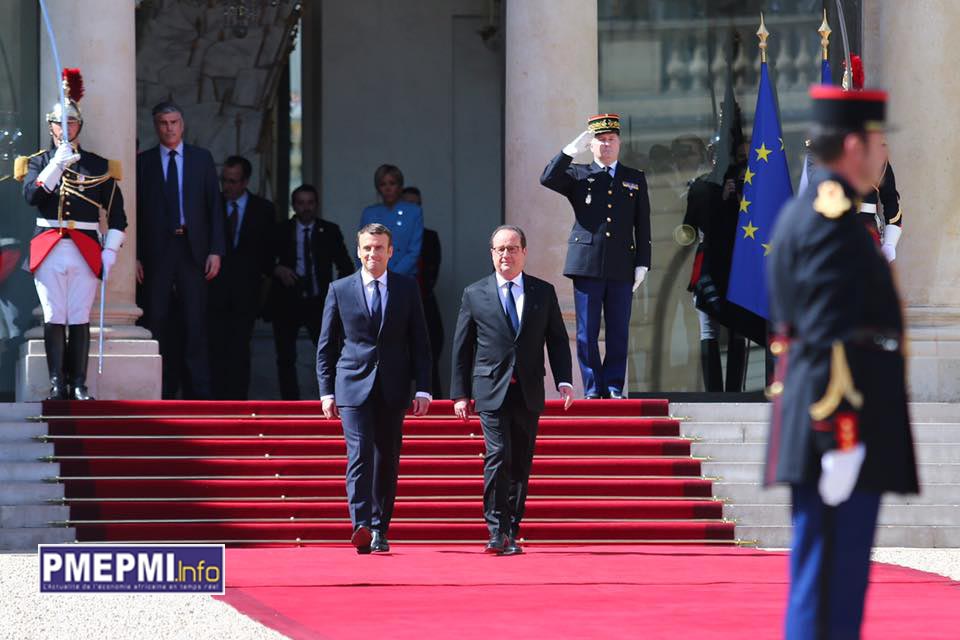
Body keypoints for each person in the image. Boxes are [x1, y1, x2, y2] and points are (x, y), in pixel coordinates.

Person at [765, 84, 918, 639]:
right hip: (839, 430)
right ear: (854, 143)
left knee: (838, 580)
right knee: (829, 578)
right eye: (878, 141)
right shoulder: (829, 221)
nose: (883, 153)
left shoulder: (828, 214)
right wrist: (840, 437)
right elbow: (825, 334)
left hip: (841, 429)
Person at [450, 225, 574, 555]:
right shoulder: (474, 293)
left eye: (512, 248)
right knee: (497, 455)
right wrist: (460, 393)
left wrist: (563, 379)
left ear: (524, 252)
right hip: (491, 389)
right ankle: (495, 529)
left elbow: (558, 340)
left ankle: (511, 529)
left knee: (520, 462)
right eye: (500, 249)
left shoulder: (542, 292)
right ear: (492, 254)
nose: (506, 255)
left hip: (528, 389)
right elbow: (462, 347)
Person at [316, 223, 432, 554]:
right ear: (358, 250)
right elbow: (326, 346)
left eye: (379, 248)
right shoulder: (339, 289)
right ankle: (361, 524)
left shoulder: (407, 288)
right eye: (367, 247)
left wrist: (423, 388)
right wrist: (326, 391)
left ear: (390, 251)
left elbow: (420, 344)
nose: (372, 253)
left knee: (386, 460)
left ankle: (381, 527)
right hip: (352, 385)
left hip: (393, 386)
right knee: (359, 454)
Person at [17, 71, 127, 400]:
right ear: (50, 126)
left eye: (72, 123)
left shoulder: (97, 166)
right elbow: (32, 198)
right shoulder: (38, 163)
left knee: (79, 316)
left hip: (86, 247)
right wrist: (54, 167)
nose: (66, 128)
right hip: (49, 246)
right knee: (54, 315)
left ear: (80, 126)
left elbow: (117, 214)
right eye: (60, 123)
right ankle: (56, 384)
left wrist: (110, 251)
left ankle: (78, 383)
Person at [540, 114, 652, 398]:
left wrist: (643, 262)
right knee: (586, 332)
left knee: (617, 329)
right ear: (591, 145)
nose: (606, 145)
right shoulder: (579, 174)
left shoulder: (634, 178)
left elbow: (643, 223)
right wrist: (568, 152)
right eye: (600, 140)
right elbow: (547, 178)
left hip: (621, 264)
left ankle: (614, 385)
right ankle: (592, 386)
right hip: (587, 263)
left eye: (611, 140)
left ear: (620, 143)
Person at [136, 101, 224, 399]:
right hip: (157, 251)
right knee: (155, 319)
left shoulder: (202, 159)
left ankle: (200, 397)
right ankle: (155, 392)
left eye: (174, 122)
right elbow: (134, 212)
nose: (169, 128)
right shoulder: (144, 162)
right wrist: (132, 256)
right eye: (163, 123)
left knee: (195, 322)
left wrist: (216, 250)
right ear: (156, 125)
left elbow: (214, 206)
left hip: (193, 249)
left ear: (182, 124)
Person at [269, 184, 353, 400]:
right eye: (301, 203)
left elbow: (345, 264)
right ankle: (290, 404)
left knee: (329, 353)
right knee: (285, 356)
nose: (306, 208)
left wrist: (340, 295)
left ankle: (333, 399)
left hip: (320, 301)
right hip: (288, 300)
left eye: (310, 203)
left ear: (316, 205)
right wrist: (277, 269)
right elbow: (262, 259)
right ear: (293, 206)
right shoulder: (281, 230)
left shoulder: (330, 230)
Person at [207, 155, 275, 400]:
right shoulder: (212, 206)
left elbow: (268, 253)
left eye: (233, 181)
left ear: (245, 181)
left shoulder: (263, 209)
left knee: (240, 348)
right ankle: (216, 401)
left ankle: (237, 401)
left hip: (246, 291)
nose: (228, 186)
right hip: (214, 290)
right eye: (224, 180)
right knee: (215, 346)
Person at [401, 186, 444, 397]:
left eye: (415, 204)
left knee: (430, 351)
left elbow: (431, 274)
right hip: (393, 304)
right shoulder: (388, 236)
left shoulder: (430, 237)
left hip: (423, 301)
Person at [358, 164, 423, 277]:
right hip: (374, 277)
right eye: (383, 184)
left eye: (392, 183)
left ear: (400, 186)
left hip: (404, 277)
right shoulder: (369, 213)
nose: (388, 188)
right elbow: (361, 249)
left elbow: (414, 251)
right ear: (378, 188)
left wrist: (391, 275)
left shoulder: (414, 212)